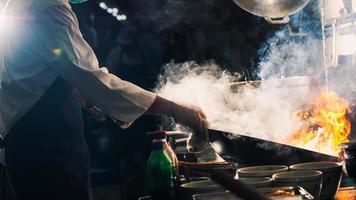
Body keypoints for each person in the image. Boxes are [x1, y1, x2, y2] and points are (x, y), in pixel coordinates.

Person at [0, 0, 209, 200]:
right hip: (46, 147)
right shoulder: (49, 8)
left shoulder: (17, 3)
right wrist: (174, 109)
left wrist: (80, 94)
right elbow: (97, 81)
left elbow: (35, 72)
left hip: (24, 144)